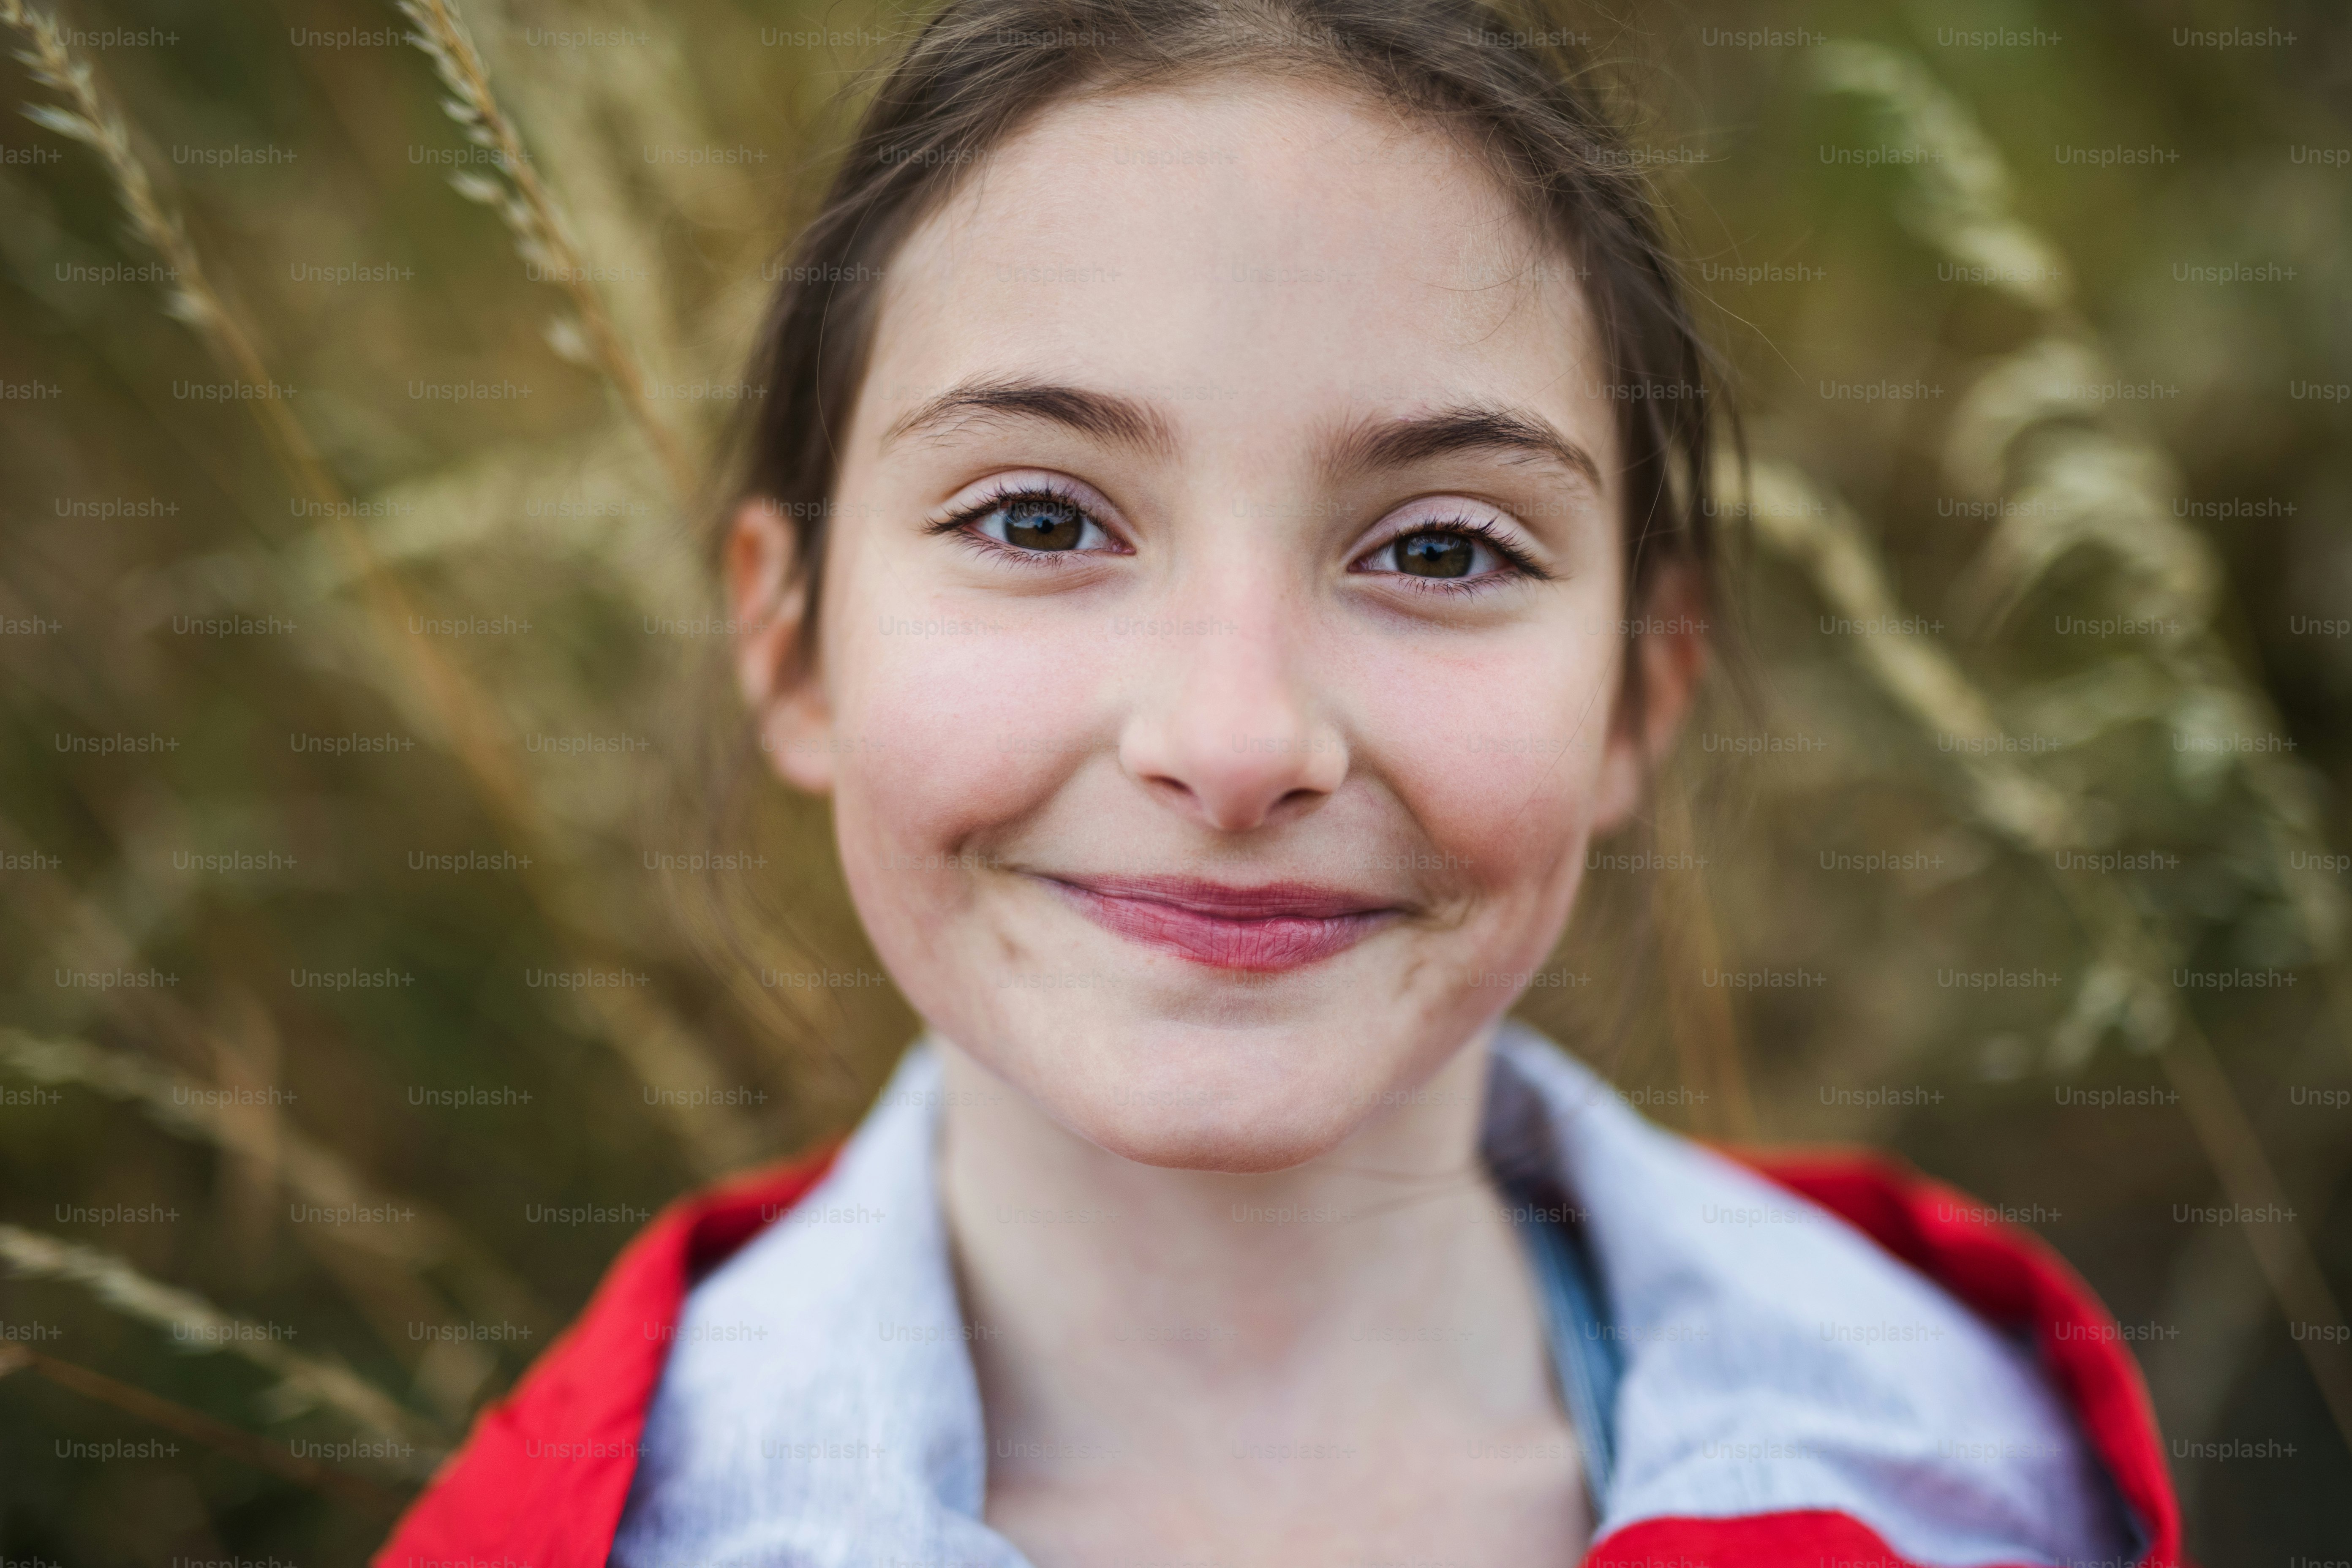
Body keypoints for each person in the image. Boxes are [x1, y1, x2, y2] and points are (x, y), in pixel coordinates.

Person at [375, 1, 2178, 1562]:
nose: (1236, 745)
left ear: (1638, 692)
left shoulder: (1968, 1483)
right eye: (1037, 518)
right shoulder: (579, 1540)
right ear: (792, 645)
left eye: (1444, 551)